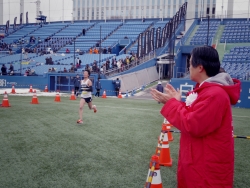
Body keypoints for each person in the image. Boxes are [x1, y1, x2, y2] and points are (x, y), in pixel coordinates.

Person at [151, 46, 241, 188]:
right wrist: (176, 102)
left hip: (206, 170)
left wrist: (172, 103)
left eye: (190, 62)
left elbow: (193, 124)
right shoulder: (209, 91)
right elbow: (195, 117)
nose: (188, 66)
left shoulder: (215, 94)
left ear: (200, 67)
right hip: (200, 162)